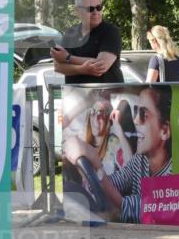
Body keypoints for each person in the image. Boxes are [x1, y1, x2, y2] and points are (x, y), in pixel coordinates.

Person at [64, 86, 172, 223]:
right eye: (135, 112)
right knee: (70, 190)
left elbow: (126, 207)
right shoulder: (141, 160)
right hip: (133, 233)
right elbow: (115, 182)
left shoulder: (174, 175)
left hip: (152, 234)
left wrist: (96, 163)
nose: (135, 120)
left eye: (143, 114)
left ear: (164, 131)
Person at [51, 0, 123, 84]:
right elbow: (58, 67)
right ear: (77, 10)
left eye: (98, 7)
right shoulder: (70, 33)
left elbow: (101, 65)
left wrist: (68, 58)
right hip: (76, 92)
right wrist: (83, 69)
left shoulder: (110, 31)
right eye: (90, 9)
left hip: (106, 92)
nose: (95, 12)